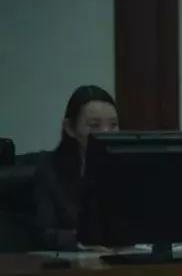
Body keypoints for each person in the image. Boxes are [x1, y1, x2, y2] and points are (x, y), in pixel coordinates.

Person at [34, 85, 119, 250]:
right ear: (70, 128)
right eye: (94, 125)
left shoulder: (127, 168)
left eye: (114, 125)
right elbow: (44, 233)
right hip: (76, 261)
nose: (106, 132)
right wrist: (84, 241)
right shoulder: (49, 170)